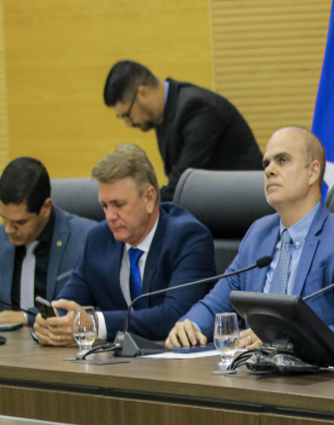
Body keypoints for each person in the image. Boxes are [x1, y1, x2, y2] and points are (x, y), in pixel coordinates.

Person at [166, 127, 334, 350]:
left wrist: (282, 337)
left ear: (313, 172)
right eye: (266, 164)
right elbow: (215, 304)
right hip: (253, 366)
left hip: (316, 371)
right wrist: (190, 325)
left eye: (282, 160)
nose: (269, 170)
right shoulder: (258, 234)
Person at [34, 144, 216, 346]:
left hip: (174, 359)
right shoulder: (98, 239)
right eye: (104, 206)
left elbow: (175, 315)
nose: (110, 216)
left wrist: (96, 324)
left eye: (118, 205)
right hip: (116, 360)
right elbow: (68, 303)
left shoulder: (187, 238)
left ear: (149, 198)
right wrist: (52, 322)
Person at [0, 157, 95, 328]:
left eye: (20, 222)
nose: (8, 229)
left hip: (59, 342)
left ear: (45, 208)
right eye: (3, 218)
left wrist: (26, 317)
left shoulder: (86, 238)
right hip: (3, 345)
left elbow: (90, 310)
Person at [103, 60, 262, 201]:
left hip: (244, 208)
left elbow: (182, 184)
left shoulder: (197, 109)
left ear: (143, 94)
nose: (128, 123)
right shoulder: (163, 113)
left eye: (127, 115)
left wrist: (139, 206)